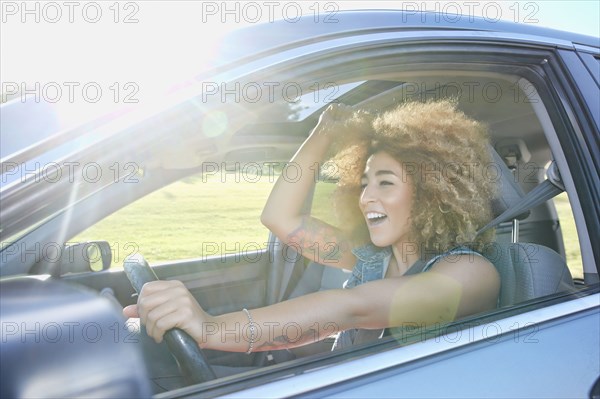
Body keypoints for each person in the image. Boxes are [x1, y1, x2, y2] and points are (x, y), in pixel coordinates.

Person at [123, 99, 501, 353]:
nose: (366, 197)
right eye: (364, 182)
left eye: (385, 182)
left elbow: (351, 308)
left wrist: (213, 329)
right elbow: (281, 219)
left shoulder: (470, 273)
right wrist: (322, 133)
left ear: (432, 192)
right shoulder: (368, 259)